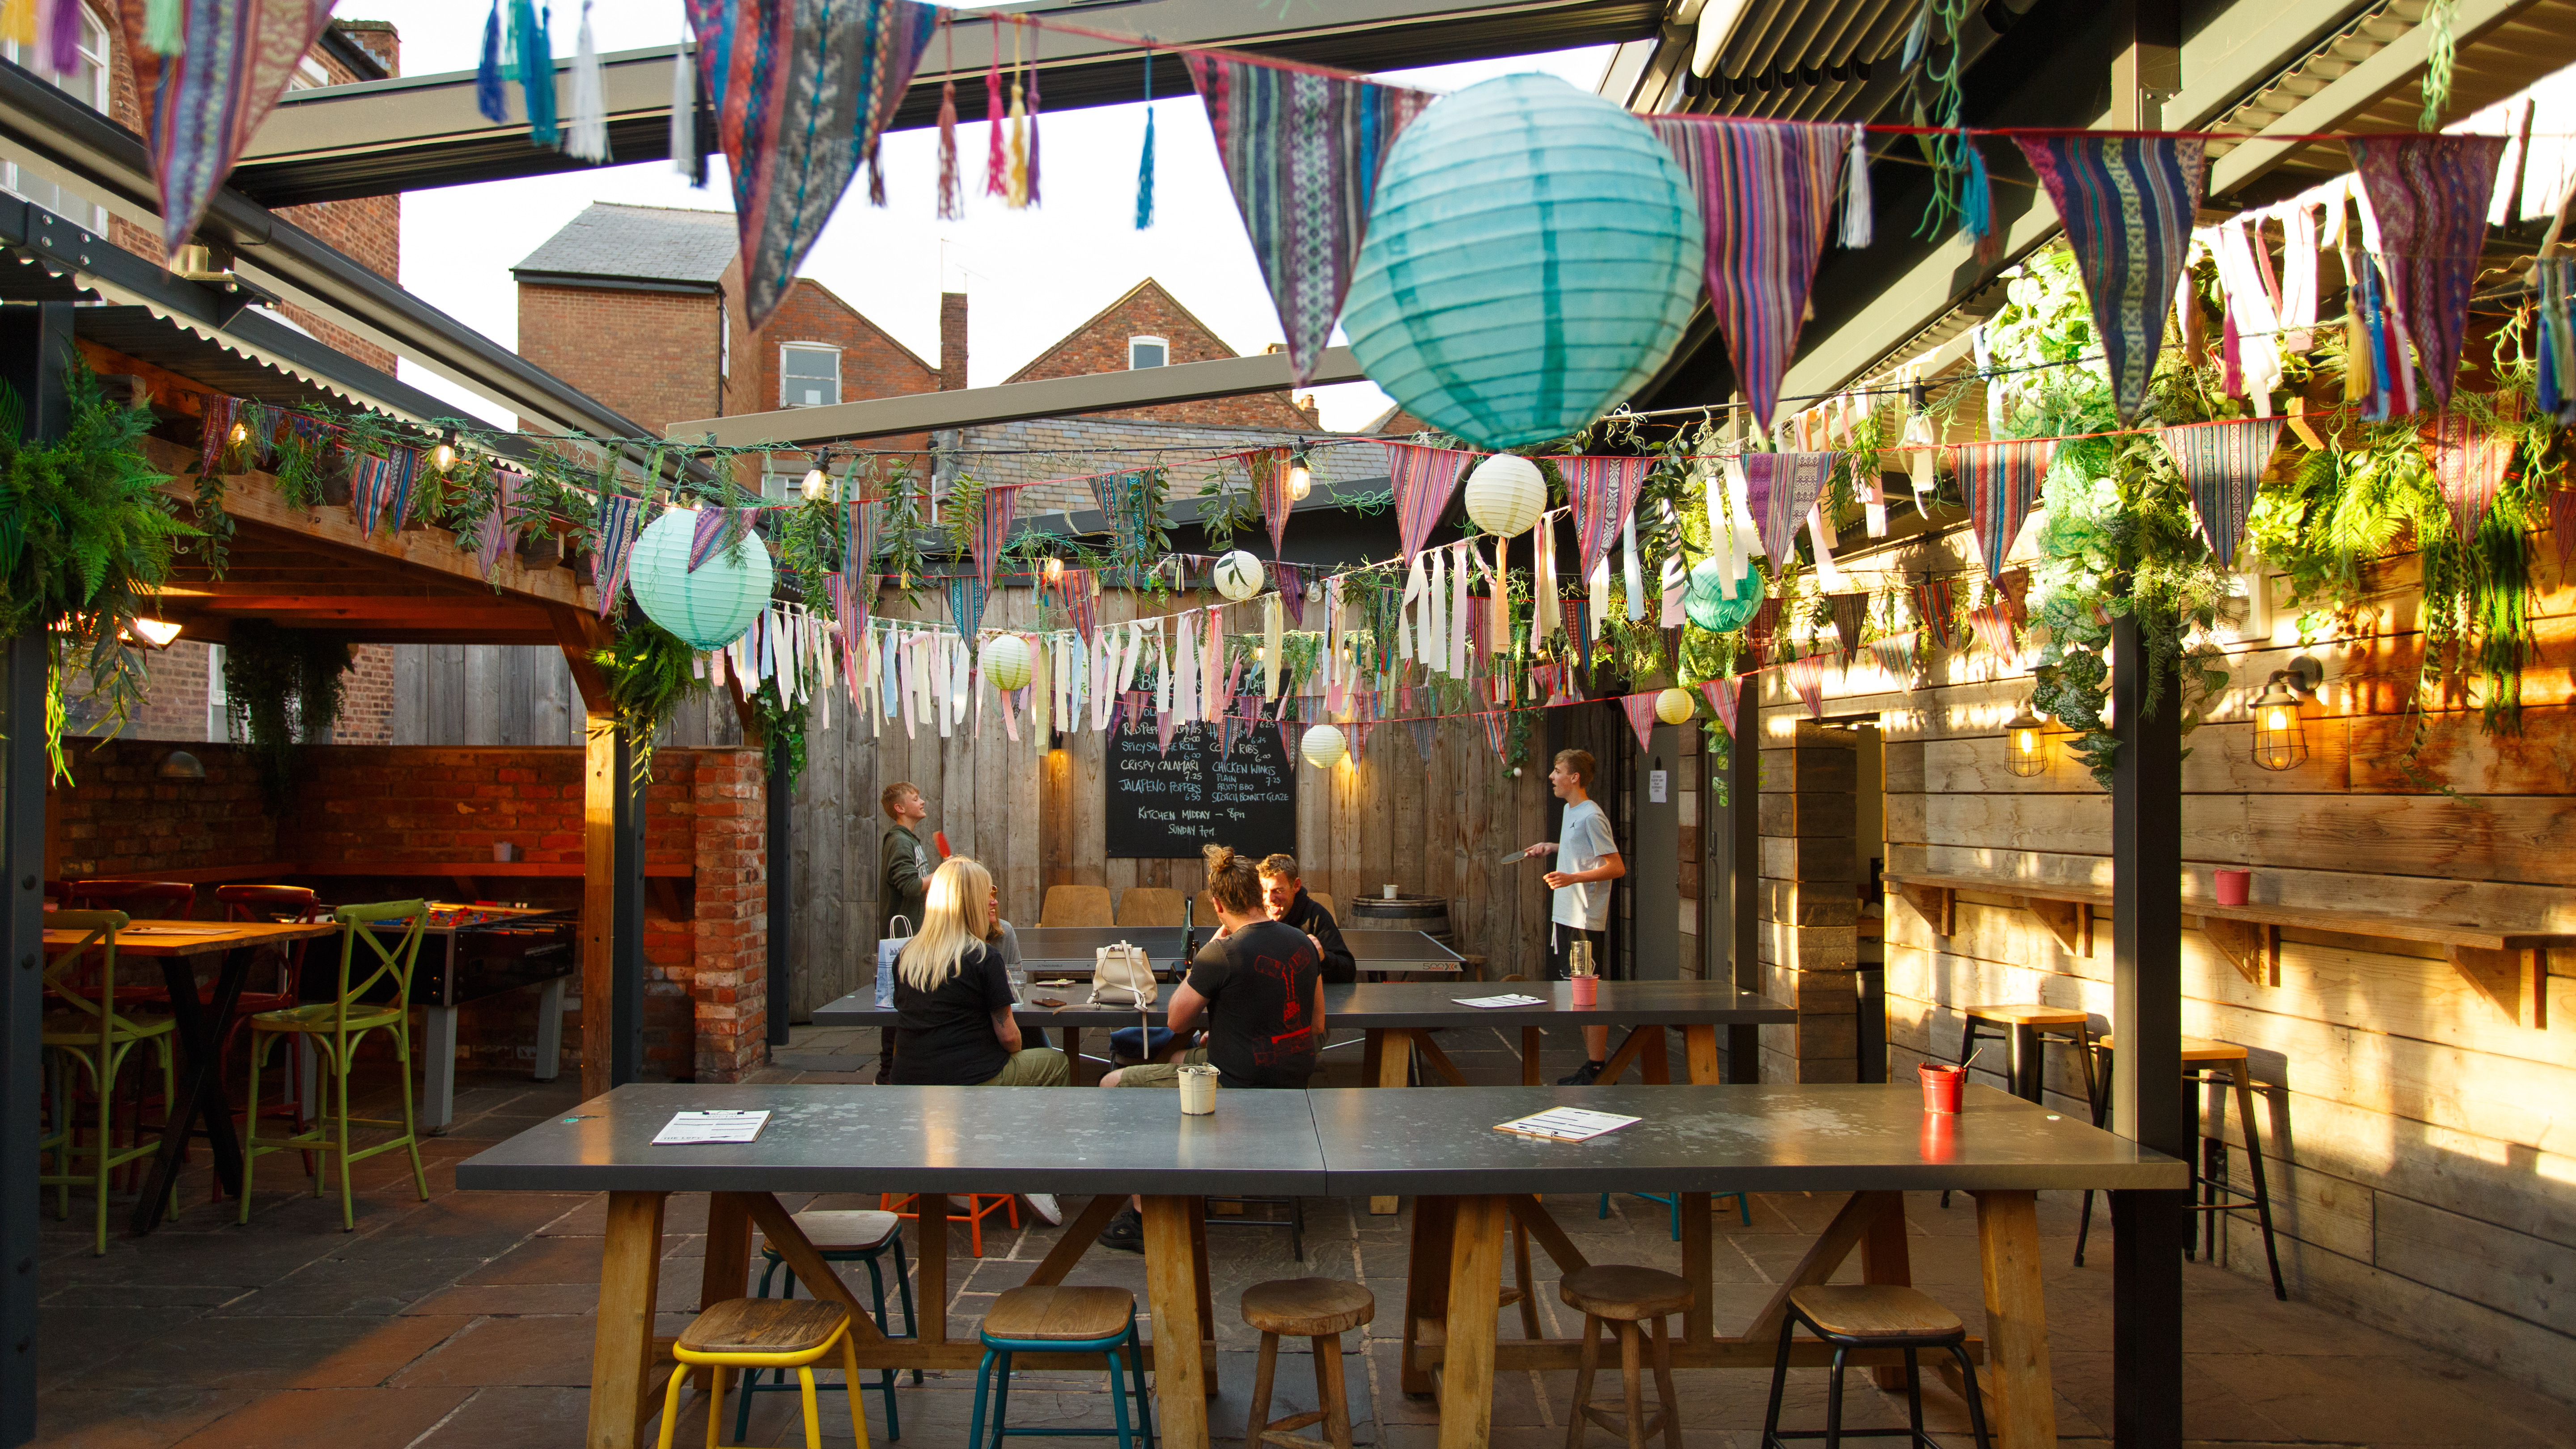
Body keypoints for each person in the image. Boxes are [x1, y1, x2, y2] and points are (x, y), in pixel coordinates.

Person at [1095, 845, 1324, 1251]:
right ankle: (1186, 1183)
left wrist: (1212, 949)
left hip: (1236, 1091)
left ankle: (1145, 1218)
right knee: (1173, 1059)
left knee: (1113, 1084)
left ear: (1217, 905)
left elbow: (1177, 1021)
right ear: (1258, 893)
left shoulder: (1223, 952)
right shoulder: (1305, 944)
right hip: (1293, 1081)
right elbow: (1317, 1026)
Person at [889, 856, 1070, 1090]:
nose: (994, 902)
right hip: (970, 1078)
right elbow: (1010, 1039)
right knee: (1057, 1062)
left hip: (907, 1078)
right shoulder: (983, 956)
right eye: (986, 895)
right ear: (968, 903)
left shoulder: (906, 956)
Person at [1525, 749, 1625, 1085]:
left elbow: (1615, 867)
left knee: (1589, 999)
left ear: (1574, 777)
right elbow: (1582, 851)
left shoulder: (1591, 816)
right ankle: (1593, 1065)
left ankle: (1598, 1068)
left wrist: (1571, 878)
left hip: (1584, 919)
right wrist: (1553, 848)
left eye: (1557, 771)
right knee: (1580, 998)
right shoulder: (1571, 811)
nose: (1552, 777)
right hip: (1567, 917)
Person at [1257, 853, 1355, 983]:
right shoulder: (1254, 913)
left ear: (1296, 886)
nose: (1269, 900)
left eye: (1278, 891)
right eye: (1264, 891)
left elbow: (1348, 971)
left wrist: (1323, 958)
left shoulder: (1315, 916)